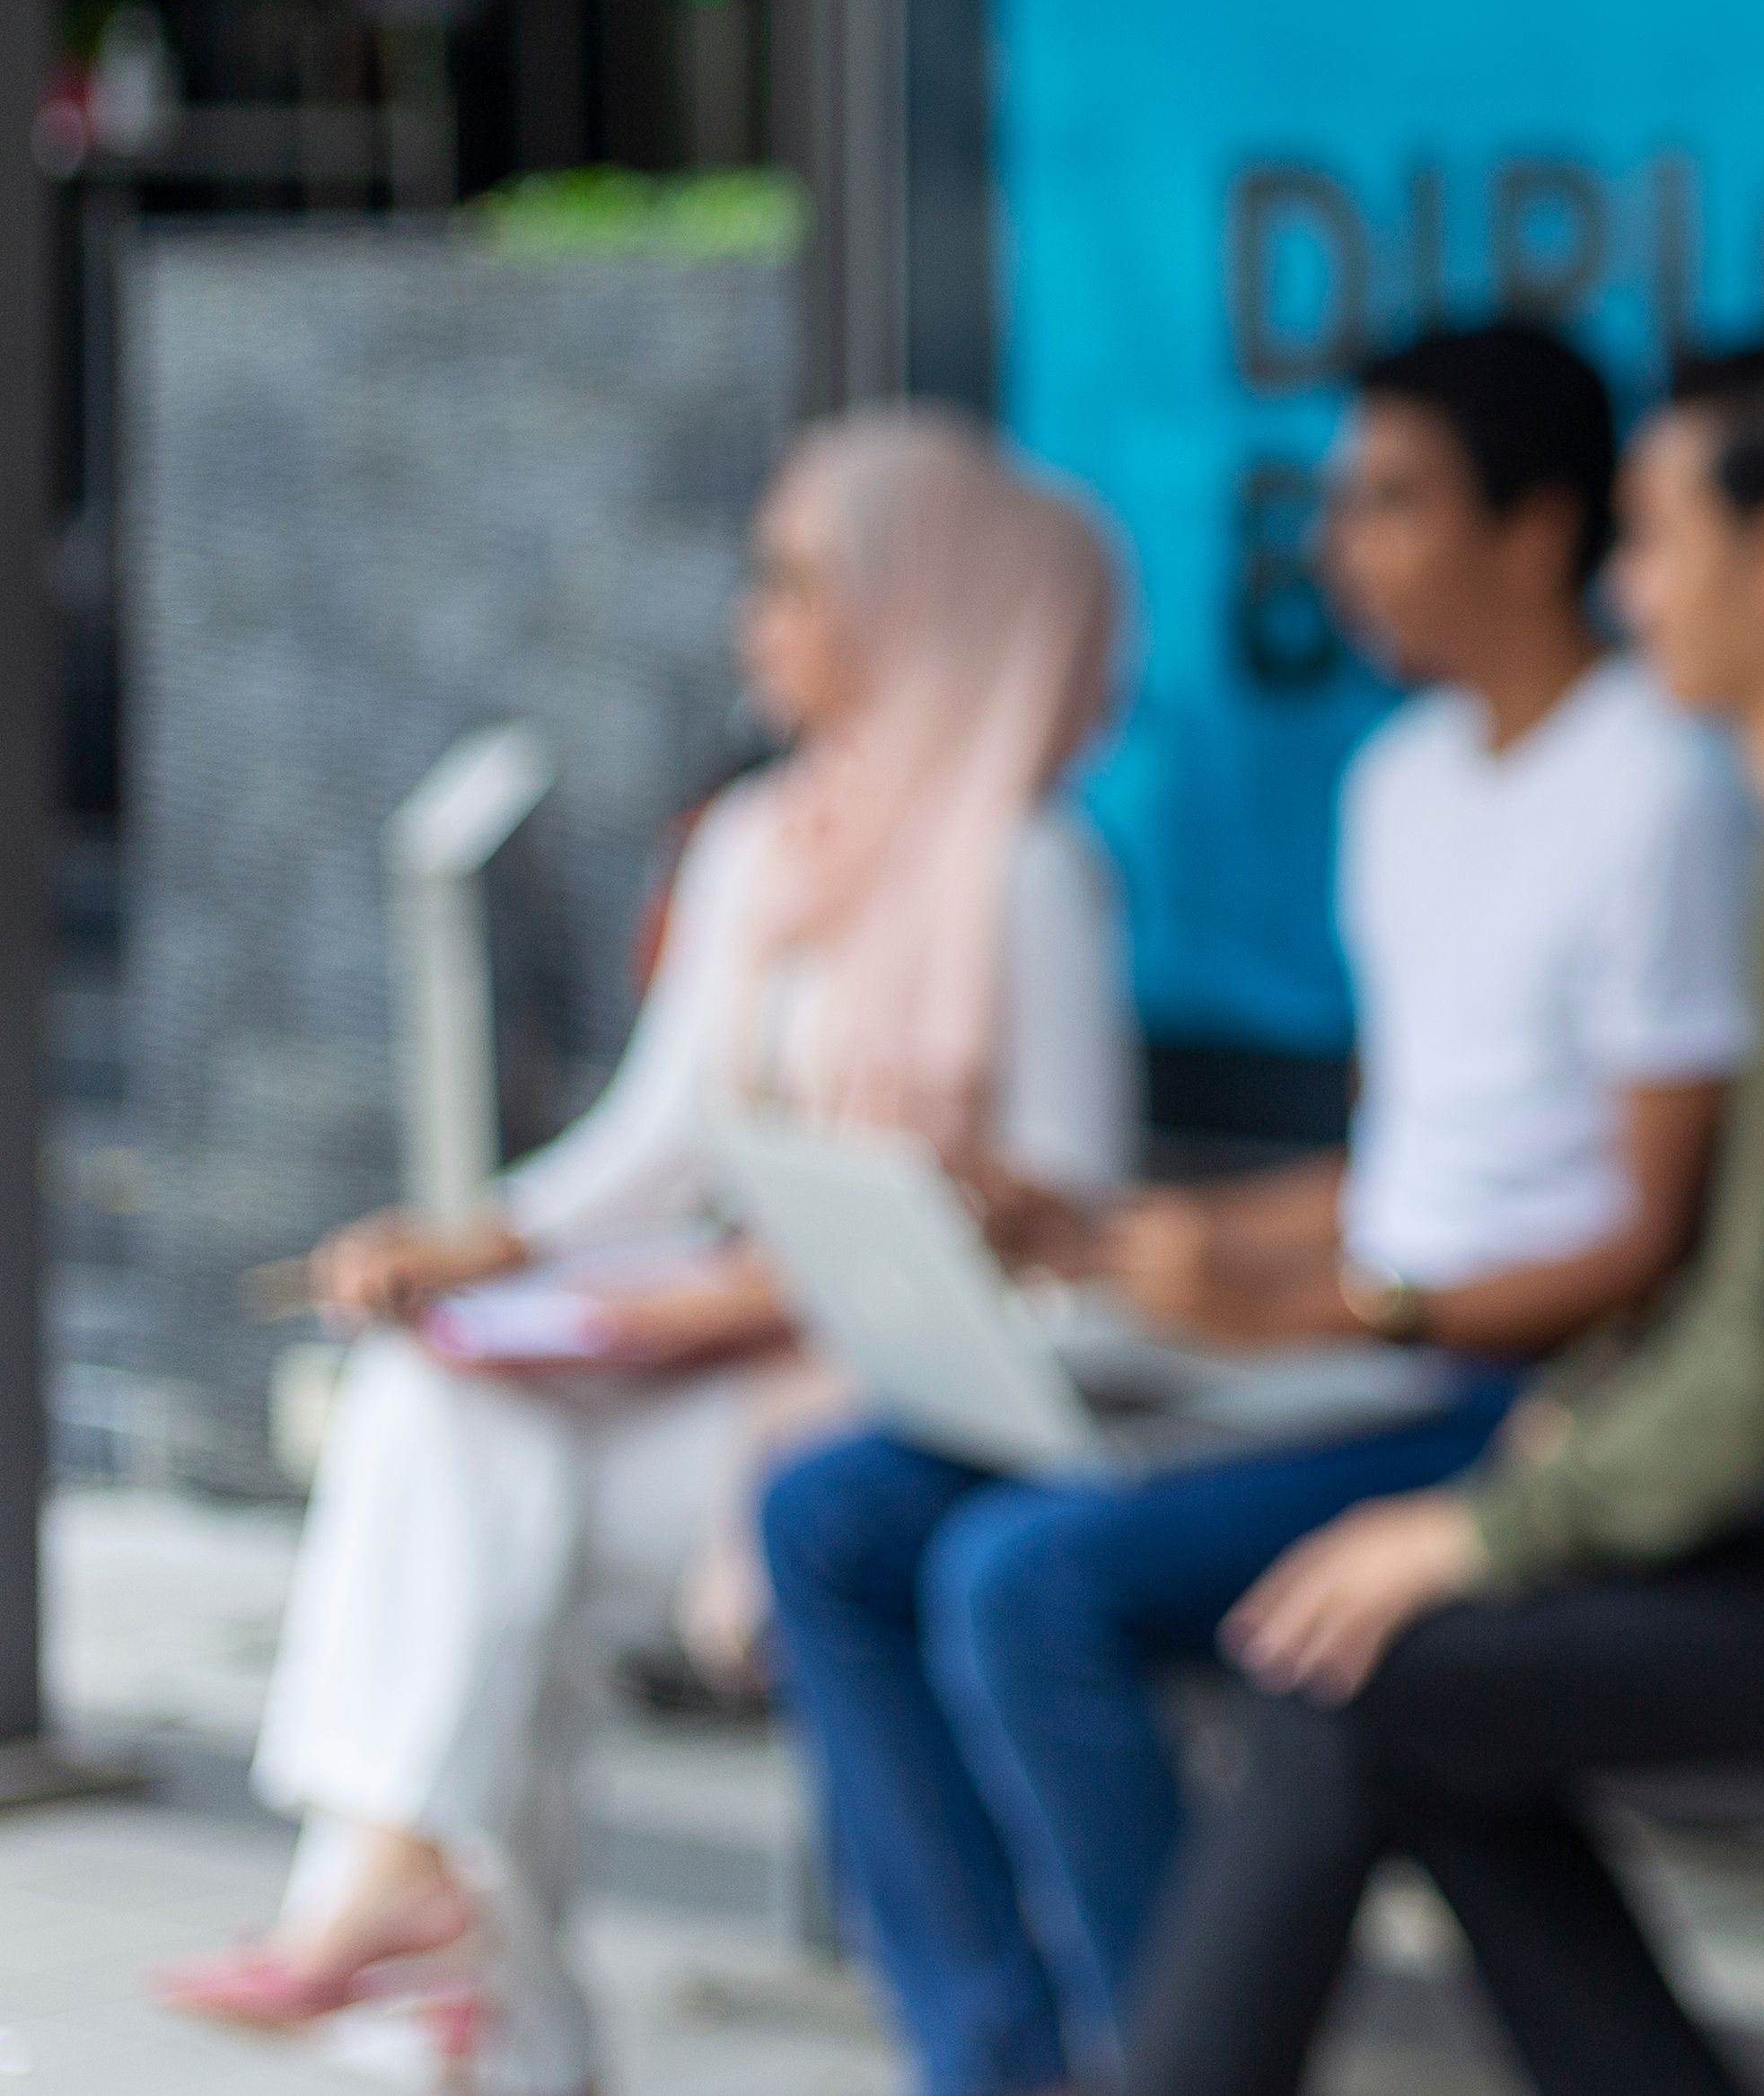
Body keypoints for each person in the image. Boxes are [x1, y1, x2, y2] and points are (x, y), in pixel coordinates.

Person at [759, 322, 1755, 2096]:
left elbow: (1641, 1242)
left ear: (1537, 530)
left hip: (1499, 1398)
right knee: (829, 1513)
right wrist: (1120, 1241)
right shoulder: (1400, 786)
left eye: (1390, 504)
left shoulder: (1657, 789)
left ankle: (1176, 2060)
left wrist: (1304, 1310)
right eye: (1339, 505)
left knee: (1024, 1583)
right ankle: (993, 2062)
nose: (1341, 550)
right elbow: (1400, 1171)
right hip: (1343, 1356)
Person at [155, 409, 1136, 2096]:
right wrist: (480, 1240)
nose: (759, 621)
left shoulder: (1027, 869)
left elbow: (1074, 1217)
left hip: (866, 1391)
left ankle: (436, 1971)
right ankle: (415, 1908)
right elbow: (659, 1138)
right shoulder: (766, 840)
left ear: (919, 601)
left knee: (486, 1528)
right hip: (723, 1352)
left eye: (799, 582)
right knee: (435, 1411)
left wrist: (825, 1265)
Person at [1124, 339, 1764, 2096]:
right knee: (1407, 1703)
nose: (1626, 590)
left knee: (1351, 1680)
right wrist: (1562, 1446)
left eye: (1657, 539)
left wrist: (1494, 1527)